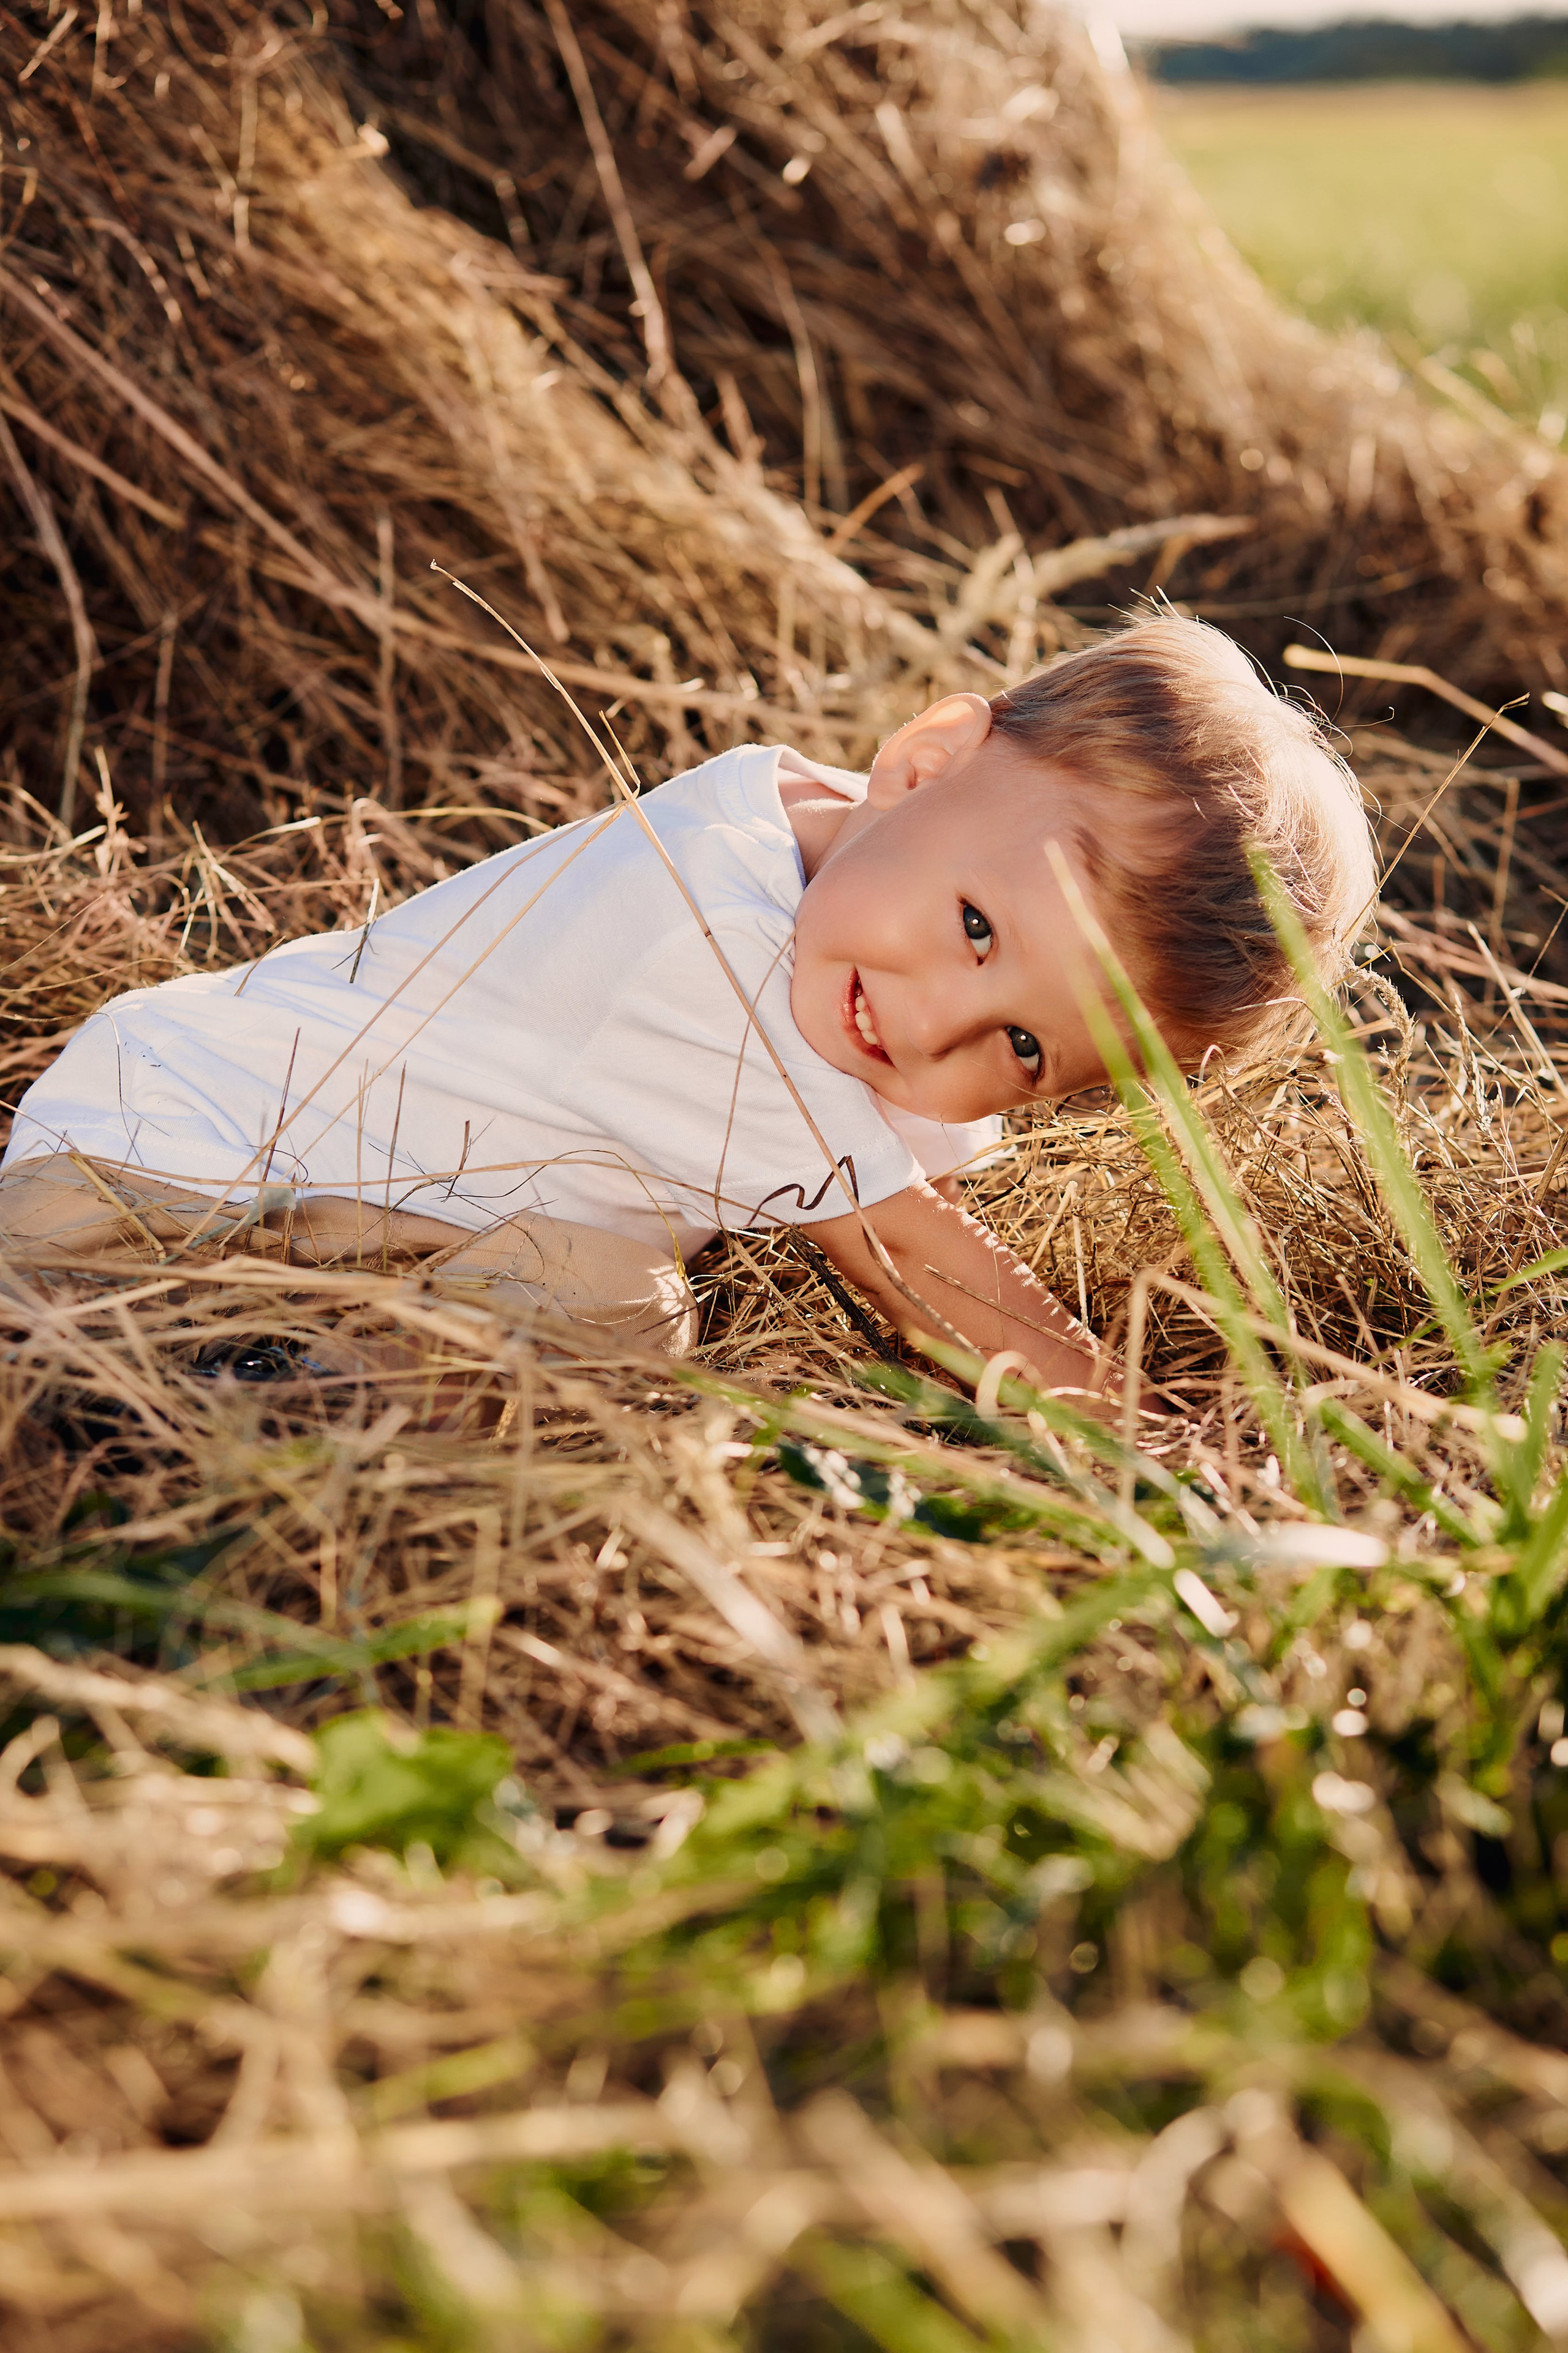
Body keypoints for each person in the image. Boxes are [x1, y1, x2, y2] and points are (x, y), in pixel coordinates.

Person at [0, 615, 1374, 1406]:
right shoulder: (709, 939)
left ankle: (256, 1390)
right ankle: (196, 1402)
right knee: (620, 1324)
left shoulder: (837, 842)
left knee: (594, 1295)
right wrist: (1120, 1427)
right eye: (974, 933)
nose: (933, 1028)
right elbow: (913, 1267)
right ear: (922, 759)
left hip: (316, 1186)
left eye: (1021, 1048)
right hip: (154, 1168)